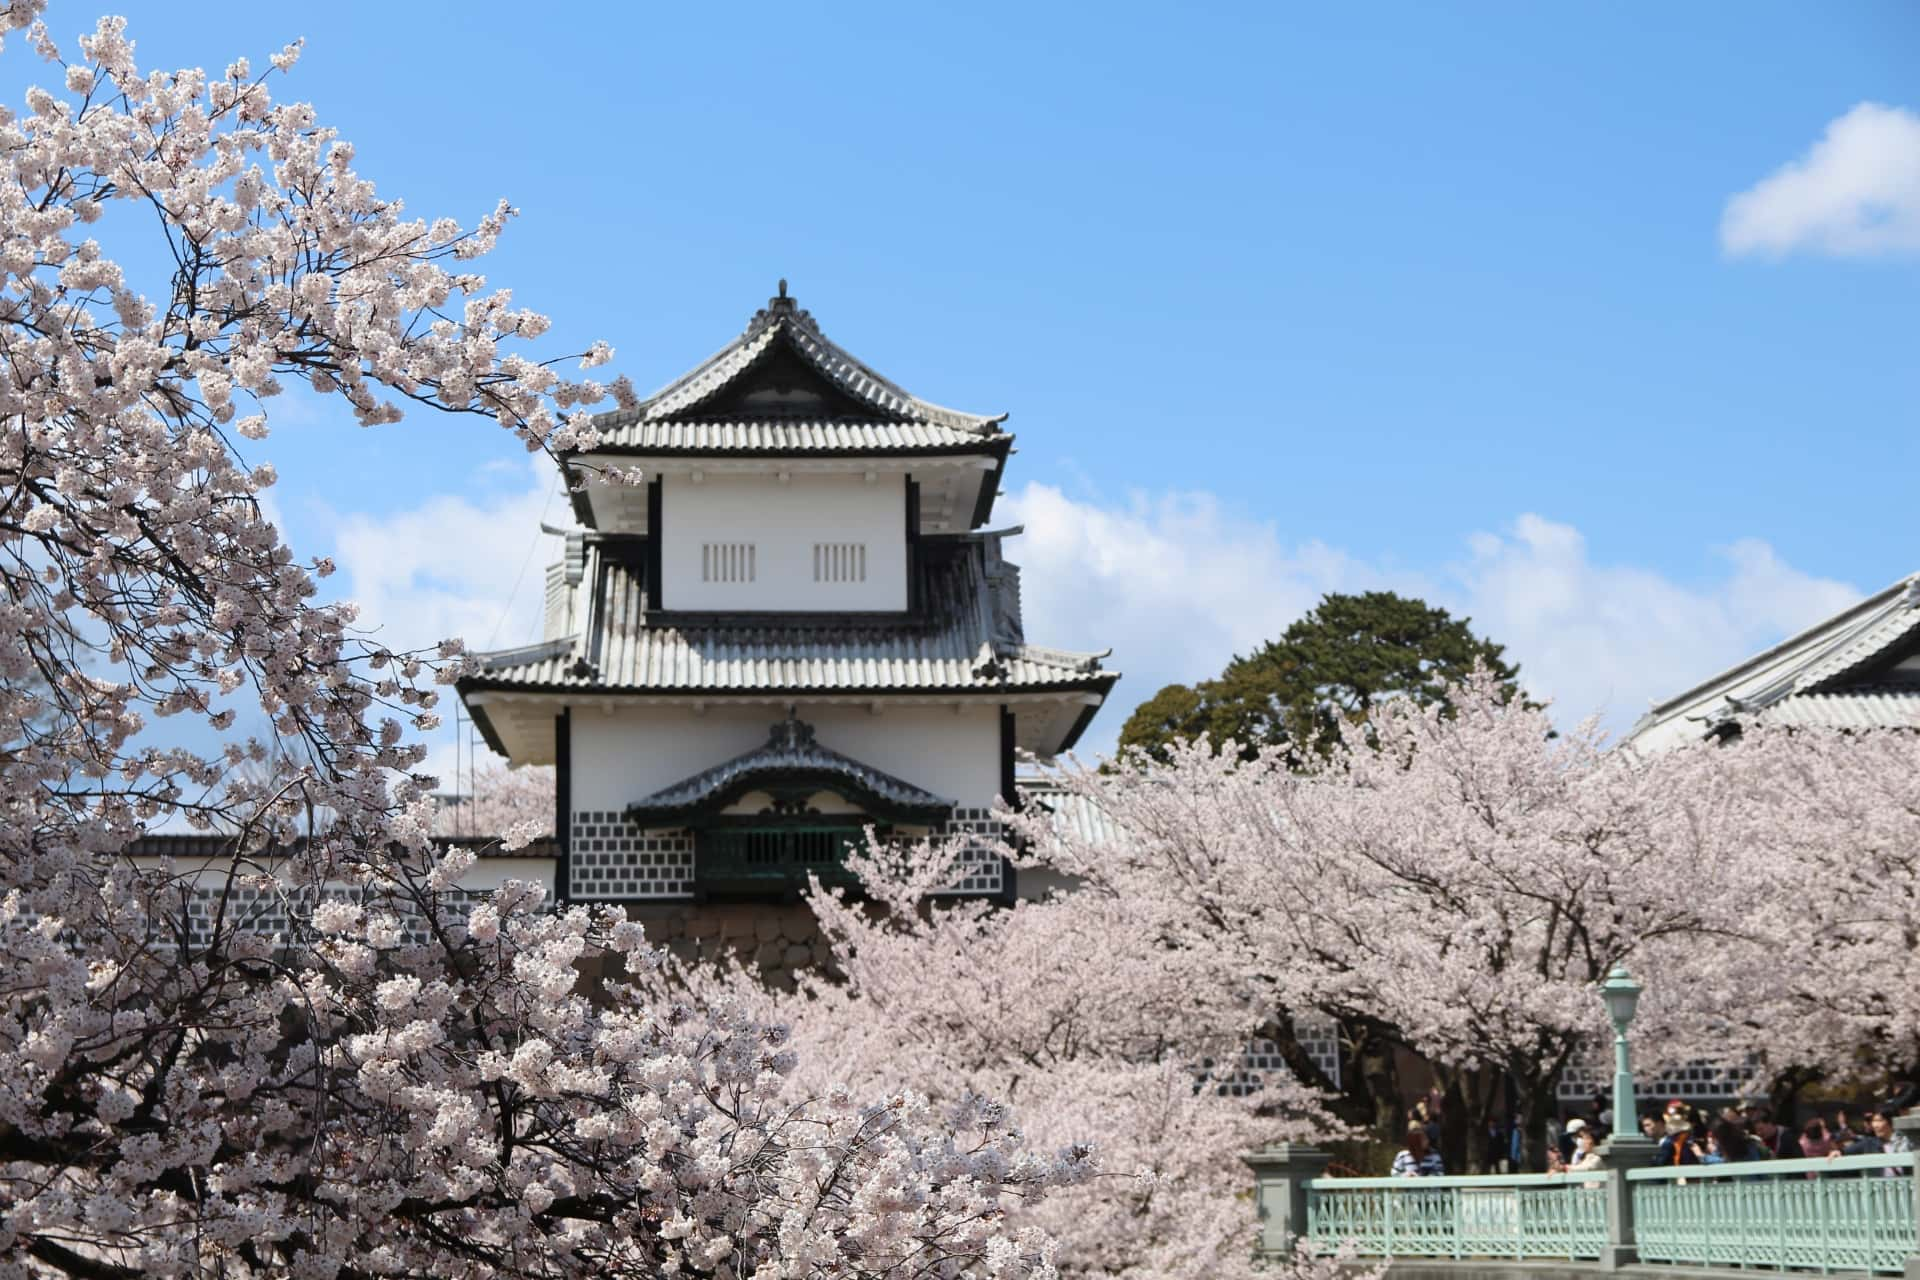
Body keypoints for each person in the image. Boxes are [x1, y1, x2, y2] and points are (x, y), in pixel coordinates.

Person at [1832, 1109, 1913, 1177]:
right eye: (1874, 1121)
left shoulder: (1905, 1141)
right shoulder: (1869, 1143)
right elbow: (1846, 1151)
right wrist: (1838, 1152)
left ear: (1891, 1121)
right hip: (1879, 1191)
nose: (1875, 1125)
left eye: (1879, 1120)